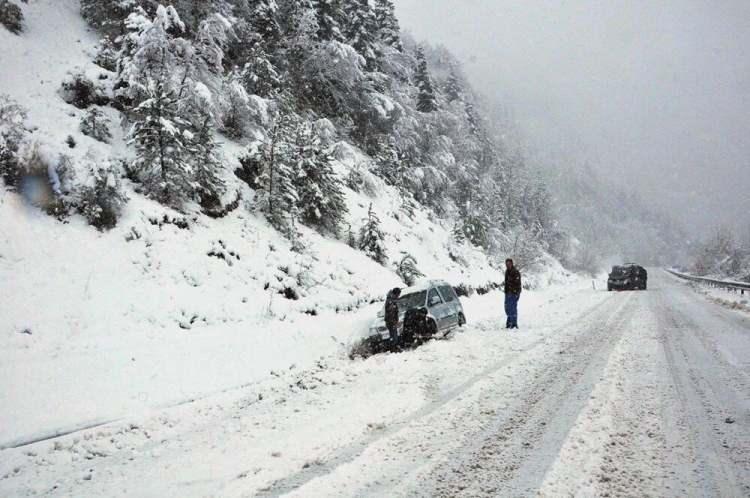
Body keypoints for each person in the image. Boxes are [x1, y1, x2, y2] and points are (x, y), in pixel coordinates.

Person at [504, 258, 522, 329]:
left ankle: (514, 324)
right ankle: (509, 322)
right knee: (507, 308)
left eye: (509, 263)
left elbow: (518, 283)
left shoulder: (516, 272)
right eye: (506, 264)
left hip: (514, 293)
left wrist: (517, 292)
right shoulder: (506, 272)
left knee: (513, 308)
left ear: (512, 263)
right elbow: (506, 282)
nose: (507, 265)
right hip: (507, 293)